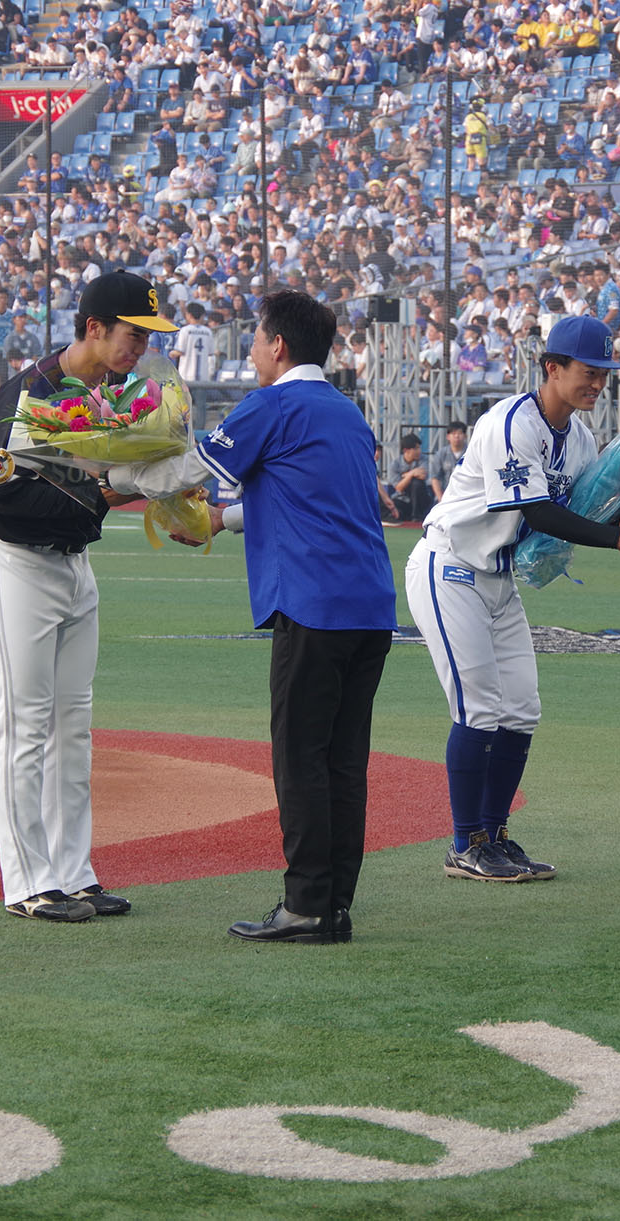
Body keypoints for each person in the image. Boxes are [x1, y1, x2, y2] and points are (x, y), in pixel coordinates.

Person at [110, 289, 397, 944]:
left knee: (300, 758)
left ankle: (304, 904)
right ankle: (332, 904)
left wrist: (111, 468)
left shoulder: (272, 403)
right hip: (369, 607)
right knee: (343, 762)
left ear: (279, 346)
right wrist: (220, 518)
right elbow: (309, 492)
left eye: (257, 338)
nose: (251, 351)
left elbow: (190, 466)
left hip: (311, 604)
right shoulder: (346, 413)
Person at [404, 316, 620, 884]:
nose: (598, 383)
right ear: (552, 368)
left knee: (522, 709)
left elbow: (571, 514)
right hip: (449, 566)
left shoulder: (578, 438)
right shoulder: (511, 423)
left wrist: (616, 515)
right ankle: (464, 843)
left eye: (605, 373)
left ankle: (495, 835)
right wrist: (617, 537)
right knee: (479, 707)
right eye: (588, 371)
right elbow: (537, 512)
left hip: (497, 579)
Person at [0, 271, 177, 924]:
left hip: (73, 567)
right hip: (13, 564)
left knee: (73, 728)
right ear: (93, 327)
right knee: (25, 725)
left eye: (147, 338)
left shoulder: (116, 400)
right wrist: (105, 493)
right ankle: (29, 882)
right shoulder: (29, 392)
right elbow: (3, 494)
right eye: (133, 335)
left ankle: (74, 873)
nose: (140, 349)